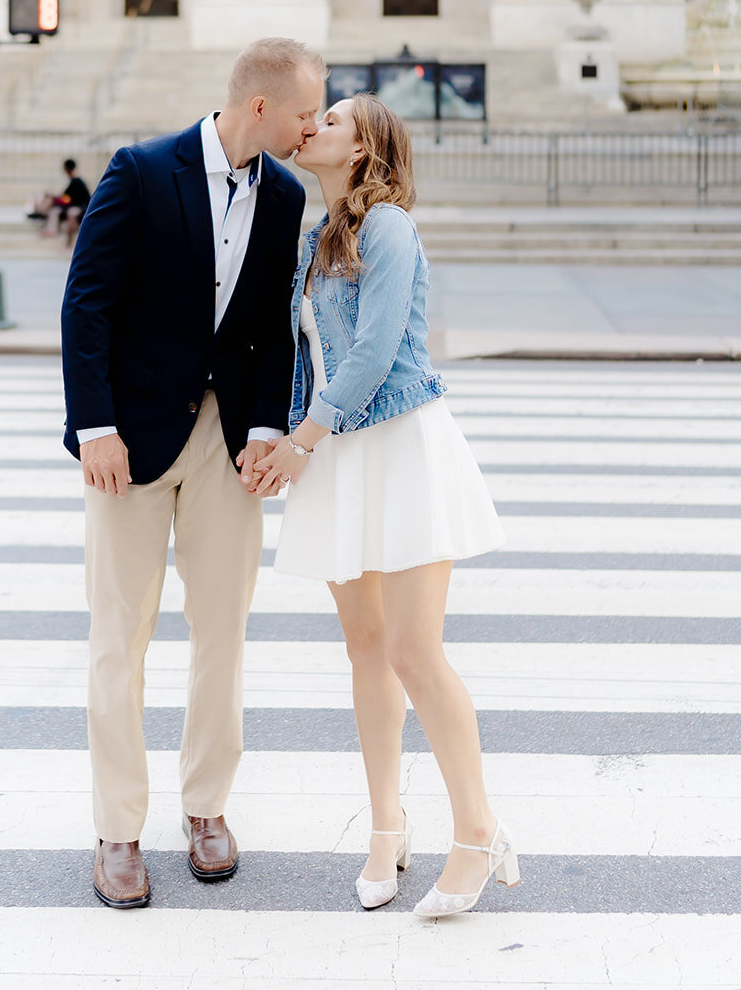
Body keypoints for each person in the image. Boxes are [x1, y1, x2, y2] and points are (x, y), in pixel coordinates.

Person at [61, 36, 326, 909]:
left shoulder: (285, 194)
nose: (311, 125)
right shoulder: (140, 171)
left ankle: (205, 810)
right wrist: (94, 426)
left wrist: (262, 427)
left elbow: (269, 325)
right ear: (260, 106)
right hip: (129, 442)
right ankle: (118, 830)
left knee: (223, 633)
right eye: (303, 112)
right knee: (118, 641)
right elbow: (86, 303)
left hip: (224, 445)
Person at [245, 93, 516, 919]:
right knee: (363, 648)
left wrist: (301, 441)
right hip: (337, 454)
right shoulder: (315, 241)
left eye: (331, 120)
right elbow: (312, 357)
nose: (312, 126)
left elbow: (370, 350)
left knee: (412, 650)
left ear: (363, 149)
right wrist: (282, 439)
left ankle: (477, 833)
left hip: (395, 443)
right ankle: (386, 827)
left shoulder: (387, 227)